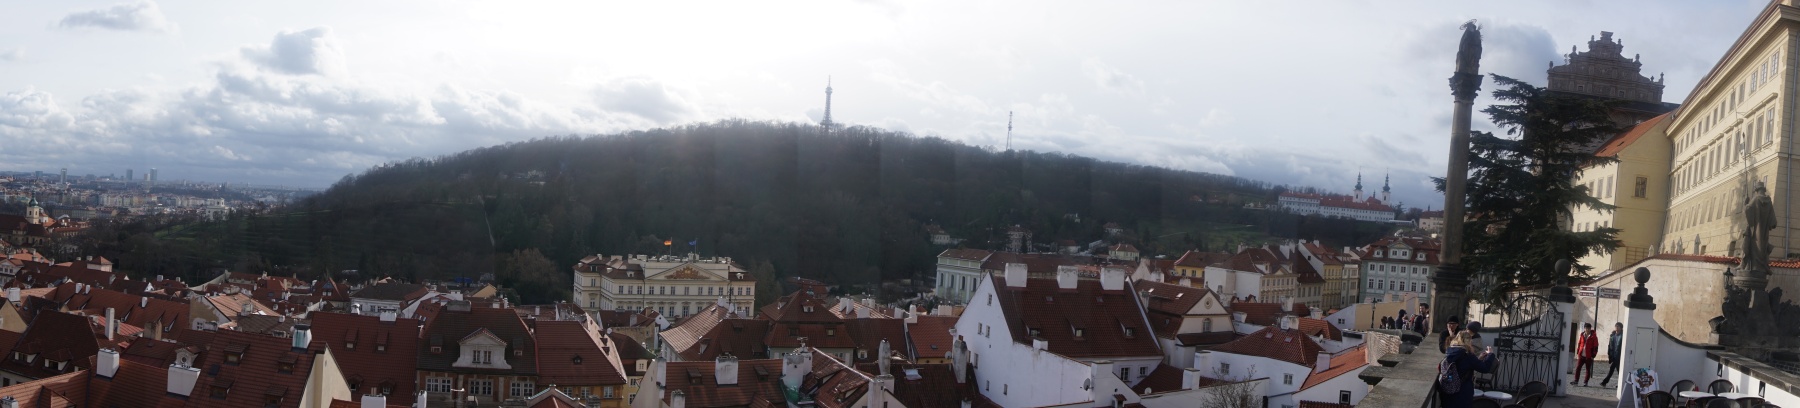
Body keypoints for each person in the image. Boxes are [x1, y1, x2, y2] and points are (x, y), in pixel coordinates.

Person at [1436, 330, 1498, 408]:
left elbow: (1463, 366)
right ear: (1469, 342)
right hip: (1462, 393)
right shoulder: (1468, 356)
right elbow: (1485, 368)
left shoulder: (1449, 353)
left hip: (1447, 391)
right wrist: (1490, 355)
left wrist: (1478, 359)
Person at [1598, 322, 1623, 387]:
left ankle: (1605, 382)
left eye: (1618, 326)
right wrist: (1609, 353)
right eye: (1616, 326)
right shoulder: (1612, 336)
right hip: (1614, 356)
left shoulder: (1622, 336)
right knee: (1616, 370)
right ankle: (1606, 382)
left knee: (1615, 370)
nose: (1617, 327)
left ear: (1621, 328)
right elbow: (1610, 346)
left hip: (1619, 356)